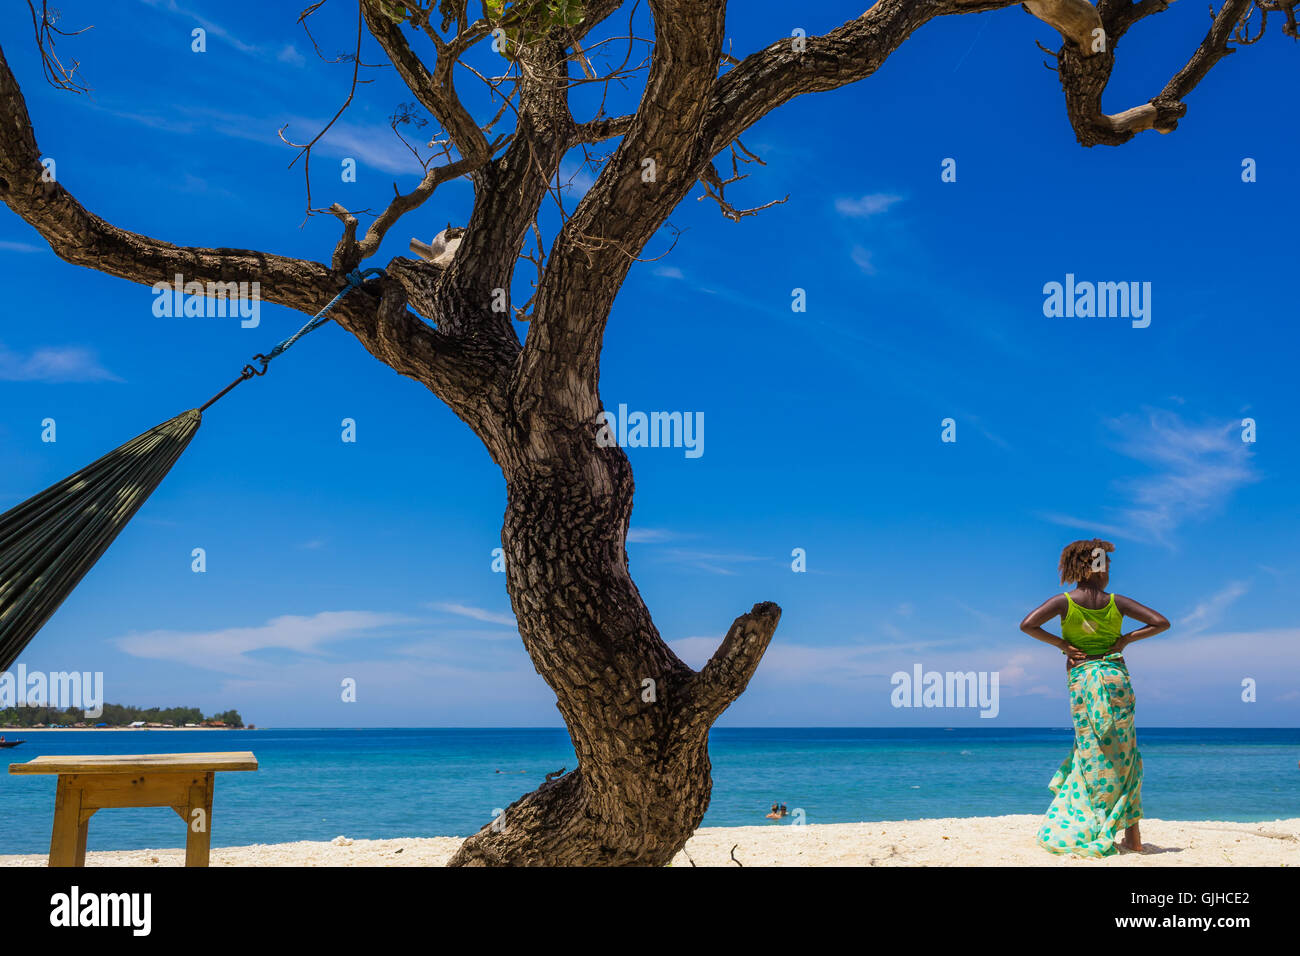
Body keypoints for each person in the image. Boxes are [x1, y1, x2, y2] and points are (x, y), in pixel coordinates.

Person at [1019, 539, 1169, 856]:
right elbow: (1160, 622)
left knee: (1092, 755)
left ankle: (1096, 826)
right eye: (1107, 565)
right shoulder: (1117, 601)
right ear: (1098, 567)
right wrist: (1125, 639)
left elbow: (1028, 625)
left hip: (1084, 678)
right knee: (1126, 755)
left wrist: (1063, 645)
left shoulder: (1064, 601)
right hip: (1115, 679)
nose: (1109, 571)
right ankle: (1133, 836)